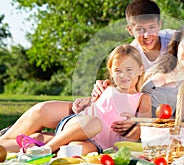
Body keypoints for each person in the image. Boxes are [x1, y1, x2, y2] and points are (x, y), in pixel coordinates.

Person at [0, 0, 184, 142]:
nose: (146, 35)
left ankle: (29, 141)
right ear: (130, 30)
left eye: (152, 28)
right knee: (41, 111)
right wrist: (101, 89)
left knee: (55, 134)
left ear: (160, 25)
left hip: (134, 123)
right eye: (139, 30)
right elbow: (124, 76)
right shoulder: (154, 53)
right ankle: (10, 139)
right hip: (114, 106)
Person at [0, 44, 152, 153]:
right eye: (117, 70)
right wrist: (86, 102)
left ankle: (36, 147)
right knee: (94, 122)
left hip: (99, 144)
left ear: (140, 70)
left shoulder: (142, 98)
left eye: (129, 70)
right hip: (81, 125)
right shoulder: (107, 89)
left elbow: (145, 128)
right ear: (111, 72)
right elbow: (93, 107)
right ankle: (47, 150)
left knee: (73, 150)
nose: (123, 75)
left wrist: (135, 123)